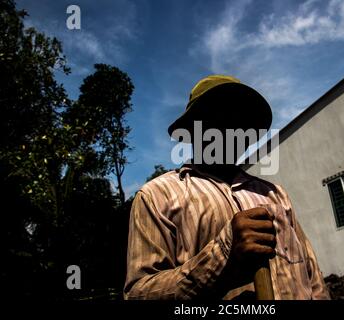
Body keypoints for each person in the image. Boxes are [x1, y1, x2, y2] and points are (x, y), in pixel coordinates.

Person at [124, 75, 330, 300]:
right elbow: (138, 293)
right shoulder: (157, 196)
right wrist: (223, 256)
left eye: (241, 120)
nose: (232, 127)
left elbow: (313, 278)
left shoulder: (275, 195)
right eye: (218, 116)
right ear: (192, 129)